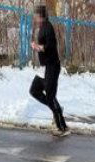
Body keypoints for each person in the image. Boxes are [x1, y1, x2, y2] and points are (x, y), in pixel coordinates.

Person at [29, 5, 68, 136]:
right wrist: (37, 46)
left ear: (40, 16)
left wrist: (38, 47)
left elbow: (51, 45)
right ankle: (56, 108)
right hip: (44, 67)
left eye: (35, 15)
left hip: (52, 66)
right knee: (34, 90)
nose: (34, 17)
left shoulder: (48, 26)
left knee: (50, 97)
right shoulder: (42, 27)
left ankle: (61, 126)